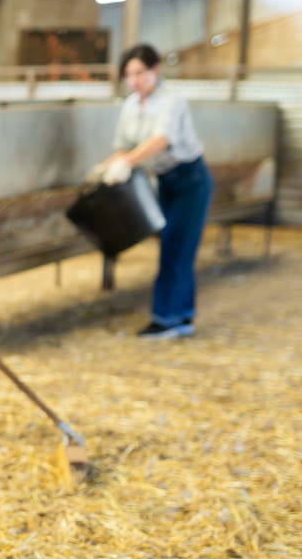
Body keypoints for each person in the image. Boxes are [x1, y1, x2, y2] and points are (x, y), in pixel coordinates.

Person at [90, 43, 213, 339]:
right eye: (129, 75)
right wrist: (105, 168)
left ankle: (165, 319)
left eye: (139, 73)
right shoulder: (131, 105)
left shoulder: (172, 101)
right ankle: (183, 317)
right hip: (164, 181)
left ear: (155, 70)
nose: (134, 81)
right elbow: (124, 145)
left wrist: (127, 163)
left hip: (190, 180)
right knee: (176, 246)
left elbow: (161, 139)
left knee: (176, 246)